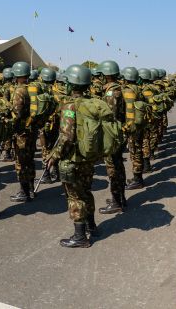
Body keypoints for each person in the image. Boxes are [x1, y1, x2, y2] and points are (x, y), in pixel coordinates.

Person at [45, 65, 110, 248]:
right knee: (86, 191)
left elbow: (66, 137)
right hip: (88, 158)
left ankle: (80, 236)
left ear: (70, 83)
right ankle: (92, 226)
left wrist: (54, 156)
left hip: (72, 159)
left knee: (75, 197)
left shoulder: (69, 106)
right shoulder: (92, 103)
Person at [97, 60, 127, 214]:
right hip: (117, 132)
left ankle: (116, 201)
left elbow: (110, 116)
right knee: (118, 164)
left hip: (111, 134)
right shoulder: (116, 89)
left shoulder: (111, 93)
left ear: (106, 75)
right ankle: (120, 197)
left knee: (113, 168)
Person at [8, 61, 34, 203]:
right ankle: (30, 189)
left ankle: (24, 192)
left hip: (21, 132)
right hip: (31, 130)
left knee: (21, 162)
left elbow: (16, 114)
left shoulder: (19, 91)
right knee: (29, 160)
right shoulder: (32, 88)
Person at [122, 67, 146, 190]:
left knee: (135, 152)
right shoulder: (137, 88)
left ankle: (138, 179)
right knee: (137, 151)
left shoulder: (128, 91)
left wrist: (127, 127)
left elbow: (130, 111)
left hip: (133, 127)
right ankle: (137, 177)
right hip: (139, 125)